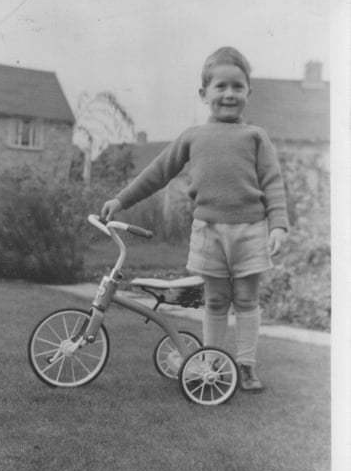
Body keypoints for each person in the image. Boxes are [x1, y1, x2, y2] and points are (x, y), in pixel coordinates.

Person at [101, 46, 288, 392]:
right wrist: (121, 199)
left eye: (237, 86)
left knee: (246, 300)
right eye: (220, 87)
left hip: (250, 231)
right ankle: (214, 362)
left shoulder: (256, 137)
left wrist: (278, 224)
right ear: (204, 94)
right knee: (215, 301)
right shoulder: (192, 137)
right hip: (208, 232)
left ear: (249, 91)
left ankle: (245, 365)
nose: (229, 94)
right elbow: (156, 174)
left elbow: (273, 184)